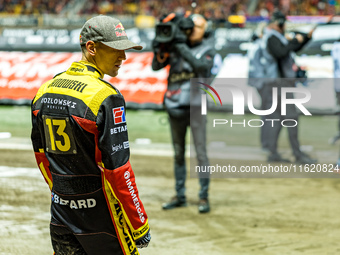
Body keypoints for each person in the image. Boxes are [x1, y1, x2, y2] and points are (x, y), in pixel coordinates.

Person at [31, 15, 151, 255]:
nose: (123, 57)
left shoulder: (44, 90)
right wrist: (139, 224)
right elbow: (118, 170)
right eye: (116, 49)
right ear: (91, 48)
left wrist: (65, 195)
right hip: (101, 219)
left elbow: (41, 156)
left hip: (61, 213)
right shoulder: (107, 97)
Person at [152, 13, 216, 213]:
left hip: (196, 107)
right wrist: (160, 45)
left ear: (204, 30)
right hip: (174, 106)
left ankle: (203, 196)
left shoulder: (208, 49)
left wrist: (180, 46)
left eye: (197, 27)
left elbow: (201, 67)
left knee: (201, 153)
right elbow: (156, 66)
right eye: (190, 26)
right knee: (178, 154)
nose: (192, 30)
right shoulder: (175, 45)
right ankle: (180, 195)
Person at [260, 10, 317, 164]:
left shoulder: (275, 37)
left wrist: (305, 38)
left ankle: (273, 153)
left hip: (281, 84)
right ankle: (297, 154)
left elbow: (292, 49)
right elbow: (282, 51)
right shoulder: (272, 38)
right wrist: (296, 40)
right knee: (291, 119)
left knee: (280, 119)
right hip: (280, 85)